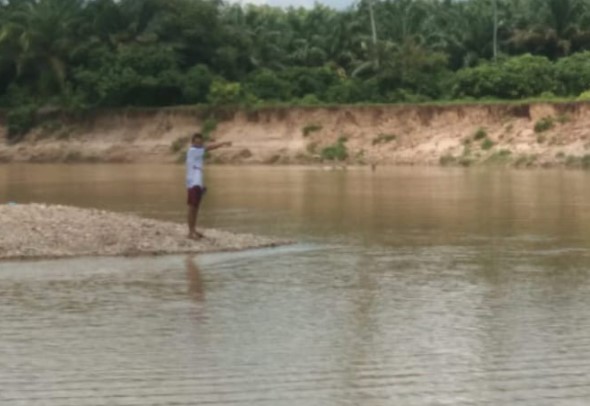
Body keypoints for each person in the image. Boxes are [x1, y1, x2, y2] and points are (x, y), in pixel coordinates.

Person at [186, 132, 232, 240]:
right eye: (197, 143)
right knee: (191, 208)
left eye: (200, 142)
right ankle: (190, 232)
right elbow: (210, 147)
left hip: (197, 183)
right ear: (192, 143)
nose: (199, 144)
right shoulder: (193, 151)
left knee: (196, 208)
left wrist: (202, 186)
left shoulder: (197, 153)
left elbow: (198, 170)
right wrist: (223, 143)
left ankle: (193, 230)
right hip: (192, 184)